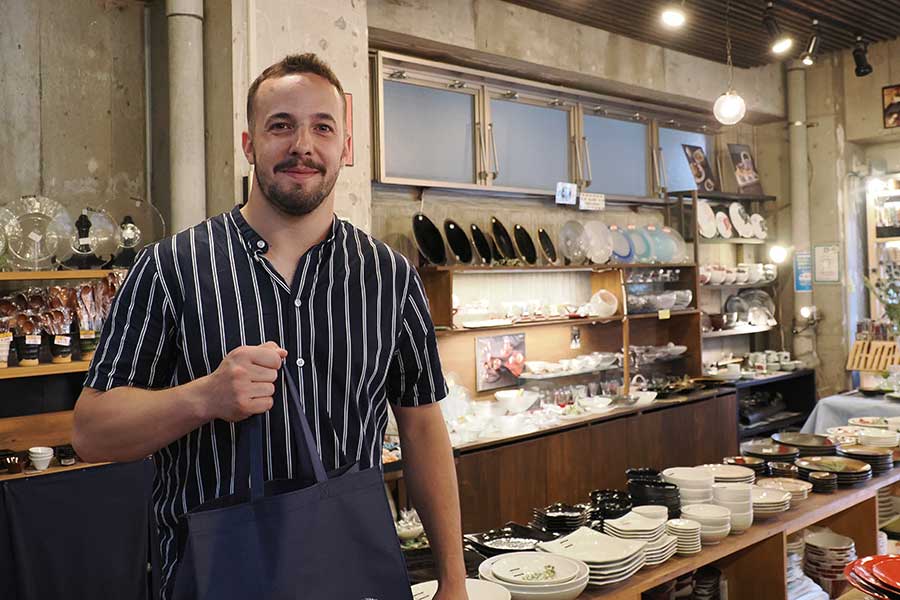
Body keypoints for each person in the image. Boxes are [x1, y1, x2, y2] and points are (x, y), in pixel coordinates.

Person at [72, 53, 467, 599]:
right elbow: (91, 432)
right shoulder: (171, 267)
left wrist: (454, 577)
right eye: (280, 125)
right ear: (248, 144)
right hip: (212, 576)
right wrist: (204, 397)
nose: (302, 144)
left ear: (345, 149)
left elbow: (423, 427)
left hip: (352, 575)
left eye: (322, 128)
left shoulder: (389, 276)